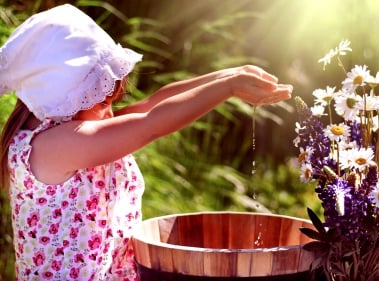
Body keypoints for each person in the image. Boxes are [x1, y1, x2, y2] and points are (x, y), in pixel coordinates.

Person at [0, 4, 292, 281]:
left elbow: (154, 103)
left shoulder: (74, 129)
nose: (110, 111)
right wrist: (227, 88)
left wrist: (230, 75)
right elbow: (151, 123)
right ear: (67, 96)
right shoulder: (55, 146)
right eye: (101, 99)